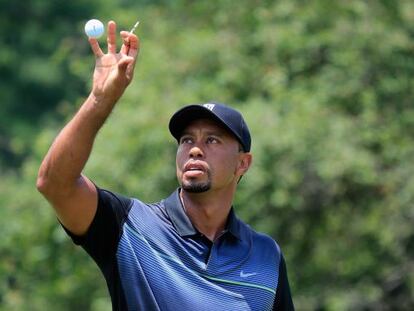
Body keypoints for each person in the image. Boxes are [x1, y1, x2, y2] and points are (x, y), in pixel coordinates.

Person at [36, 20, 294, 311]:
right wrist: (99, 99)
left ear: (243, 163)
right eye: (186, 140)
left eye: (212, 141)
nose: (194, 149)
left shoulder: (266, 255)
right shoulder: (129, 227)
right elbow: (54, 183)